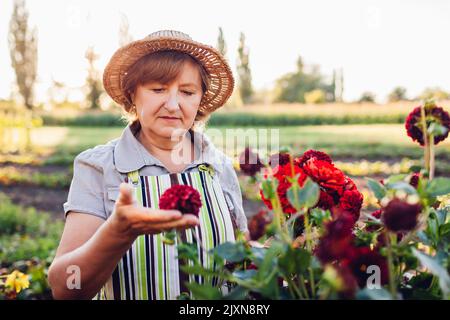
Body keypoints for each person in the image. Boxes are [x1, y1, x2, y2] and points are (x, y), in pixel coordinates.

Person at [48, 30, 248, 300]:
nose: (173, 104)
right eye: (158, 89)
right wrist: (117, 233)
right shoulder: (99, 167)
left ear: (200, 99)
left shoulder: (219, 167)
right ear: (133, 94)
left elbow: (240, 264)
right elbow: (65, 288)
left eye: (187, 92)